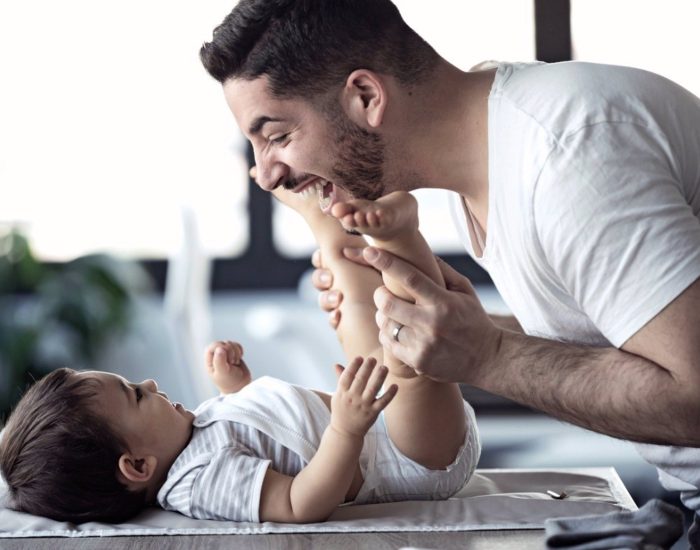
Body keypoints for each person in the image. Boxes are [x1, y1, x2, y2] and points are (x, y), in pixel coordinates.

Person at [199, 0, 700, 539]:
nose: (266, 175)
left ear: (365, 96)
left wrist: (487, 354)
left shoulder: (566, 156)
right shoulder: (493, 148)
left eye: (275, 135)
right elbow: (636, 340)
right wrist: (464, 327)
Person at [0, 189, 479, 524]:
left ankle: (328, 221)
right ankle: (401, 236)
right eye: (136, 396)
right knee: (408, 354)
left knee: (360, 312)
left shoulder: (189, 436)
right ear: (138, 467)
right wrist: (345, 427)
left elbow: (263, 436)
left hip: (381, 426)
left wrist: (236, 388)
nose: (149, 384)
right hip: (413, 461)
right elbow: (298, 502)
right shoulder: (198, 482)